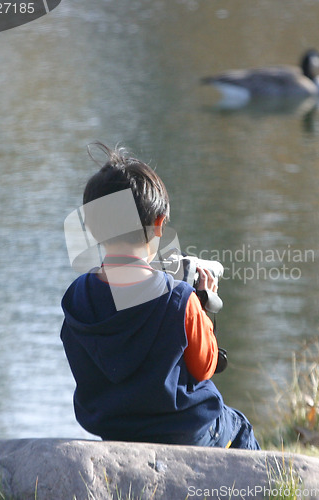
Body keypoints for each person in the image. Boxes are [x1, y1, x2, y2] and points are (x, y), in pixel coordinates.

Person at [60, 142, 260, 450]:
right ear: (159, 224)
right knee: (238, 426)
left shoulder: (76, 298)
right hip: (184, 429)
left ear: (93, 229)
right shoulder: (180, 301)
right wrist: (202, 309)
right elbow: (205, 366)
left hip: (112, 428)